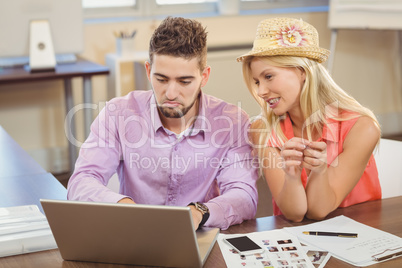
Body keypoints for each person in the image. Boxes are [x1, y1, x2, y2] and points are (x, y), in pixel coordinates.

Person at [67, 16, 258, 230]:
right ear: (148, 71)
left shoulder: (232, 121)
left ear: (204, 76)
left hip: (200, 235)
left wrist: (200, 212)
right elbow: (82, 180)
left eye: (184, 81)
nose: (171, 93)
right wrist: (123, 205)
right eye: (162, 79)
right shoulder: (118, 113)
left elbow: (243, 195)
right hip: (135, 232)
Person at [237, 17, 381, 222]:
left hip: (362, 235)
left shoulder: (362, 127)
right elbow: (294, 213)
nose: (261, 91)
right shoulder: (263, 129)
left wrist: (319, 170)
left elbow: (318, 210)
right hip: (297, 241)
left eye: (268, 77)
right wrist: (292, 175)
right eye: (257, 82)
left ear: (302, 72)